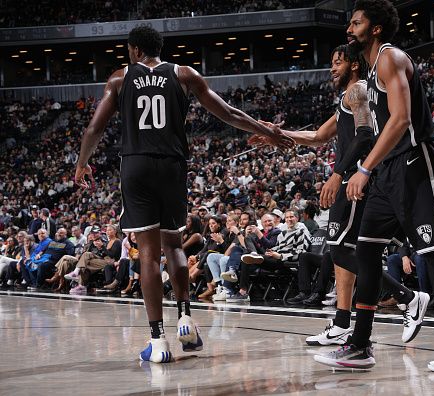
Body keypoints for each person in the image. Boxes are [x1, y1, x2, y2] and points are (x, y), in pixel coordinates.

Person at [74, 26, 292, 363]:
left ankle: (158, 341)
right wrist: (269, 132)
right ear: (159, 48)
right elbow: (229, 113)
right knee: (173, 244)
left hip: (136, 166)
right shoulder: (183, 74)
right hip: (172, 166)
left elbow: (94, 128)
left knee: (147, 254)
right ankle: (186, 319)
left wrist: (81, 164)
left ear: (133, 50)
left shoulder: (119, 79)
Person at [316, 0, 434, 372]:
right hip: (387, 172)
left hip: (414, 162)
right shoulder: (368, 75)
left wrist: (363, 168)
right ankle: (360, 345)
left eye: (356, 22)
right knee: (364, 251)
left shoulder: (392, 58)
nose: (349, 28)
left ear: (375, 28)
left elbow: (401, 120)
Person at [254, 44, 375, 345]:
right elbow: (318, 136)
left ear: (354, 65)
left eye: (338, 62)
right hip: (350, 177)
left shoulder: (357, 90)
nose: (332, 68)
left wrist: (337, 174)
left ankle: (406, 296)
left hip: (355, 179)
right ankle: (343, 322)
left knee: (340, 250)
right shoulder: (347, 98)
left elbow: (365, 136)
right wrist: (278, 134)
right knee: (340, 251)